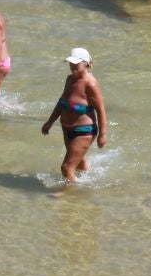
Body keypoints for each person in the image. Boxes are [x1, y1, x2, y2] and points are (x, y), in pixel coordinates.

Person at [41, 48, 107, 184]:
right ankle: (87, 184)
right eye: (71, 64)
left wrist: (102, 135)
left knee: (66, 168)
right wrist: (50, 122)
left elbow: (100, 110)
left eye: (76, 64)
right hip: (67, 129)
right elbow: (62, 102)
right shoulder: (70, 79)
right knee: (78, 163)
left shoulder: (90, 83)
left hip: (84, 131)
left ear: (86, 63)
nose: (72, 67)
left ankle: (68, 193)